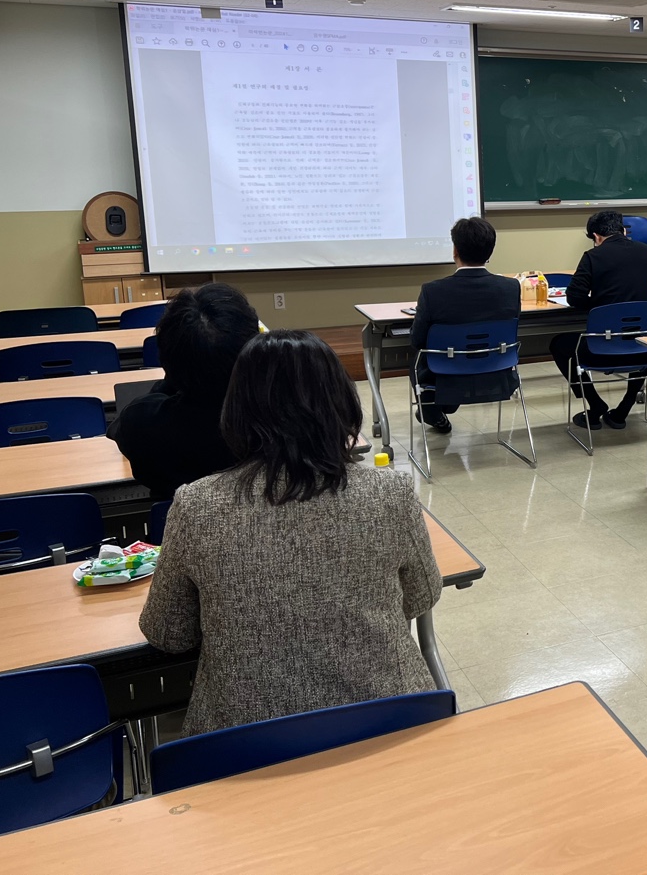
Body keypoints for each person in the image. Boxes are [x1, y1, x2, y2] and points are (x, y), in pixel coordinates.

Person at [139, 330, 442, 737]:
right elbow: (422, 596)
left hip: (247, 743)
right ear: (341, 403)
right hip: (386, 727)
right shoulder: (392, 492)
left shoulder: (197, 505)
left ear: (237, 410)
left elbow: (168, 633)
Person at [107, 283, 259, 501]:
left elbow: (118, 428)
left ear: (166, 358)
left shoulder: (143, 424)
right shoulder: (280, 422)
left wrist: (174, 376)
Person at [549, 208, 647, 430]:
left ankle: (595, 403)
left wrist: (600, 307)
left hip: (602, 349)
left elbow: (574, 297)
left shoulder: (593, 256)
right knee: (640, 340)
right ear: (623, 230)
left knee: (559, 344)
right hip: (644, 347)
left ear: (597, 237)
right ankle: (624, 408)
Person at [411, 216, 521, 433]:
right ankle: (440, 408)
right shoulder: (510, 287)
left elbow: (417, 340)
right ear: (490, 251)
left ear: (455, 250)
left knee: (417, 356)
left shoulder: (433, 291)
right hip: (496, 372)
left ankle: (433, 410)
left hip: (447, 375)